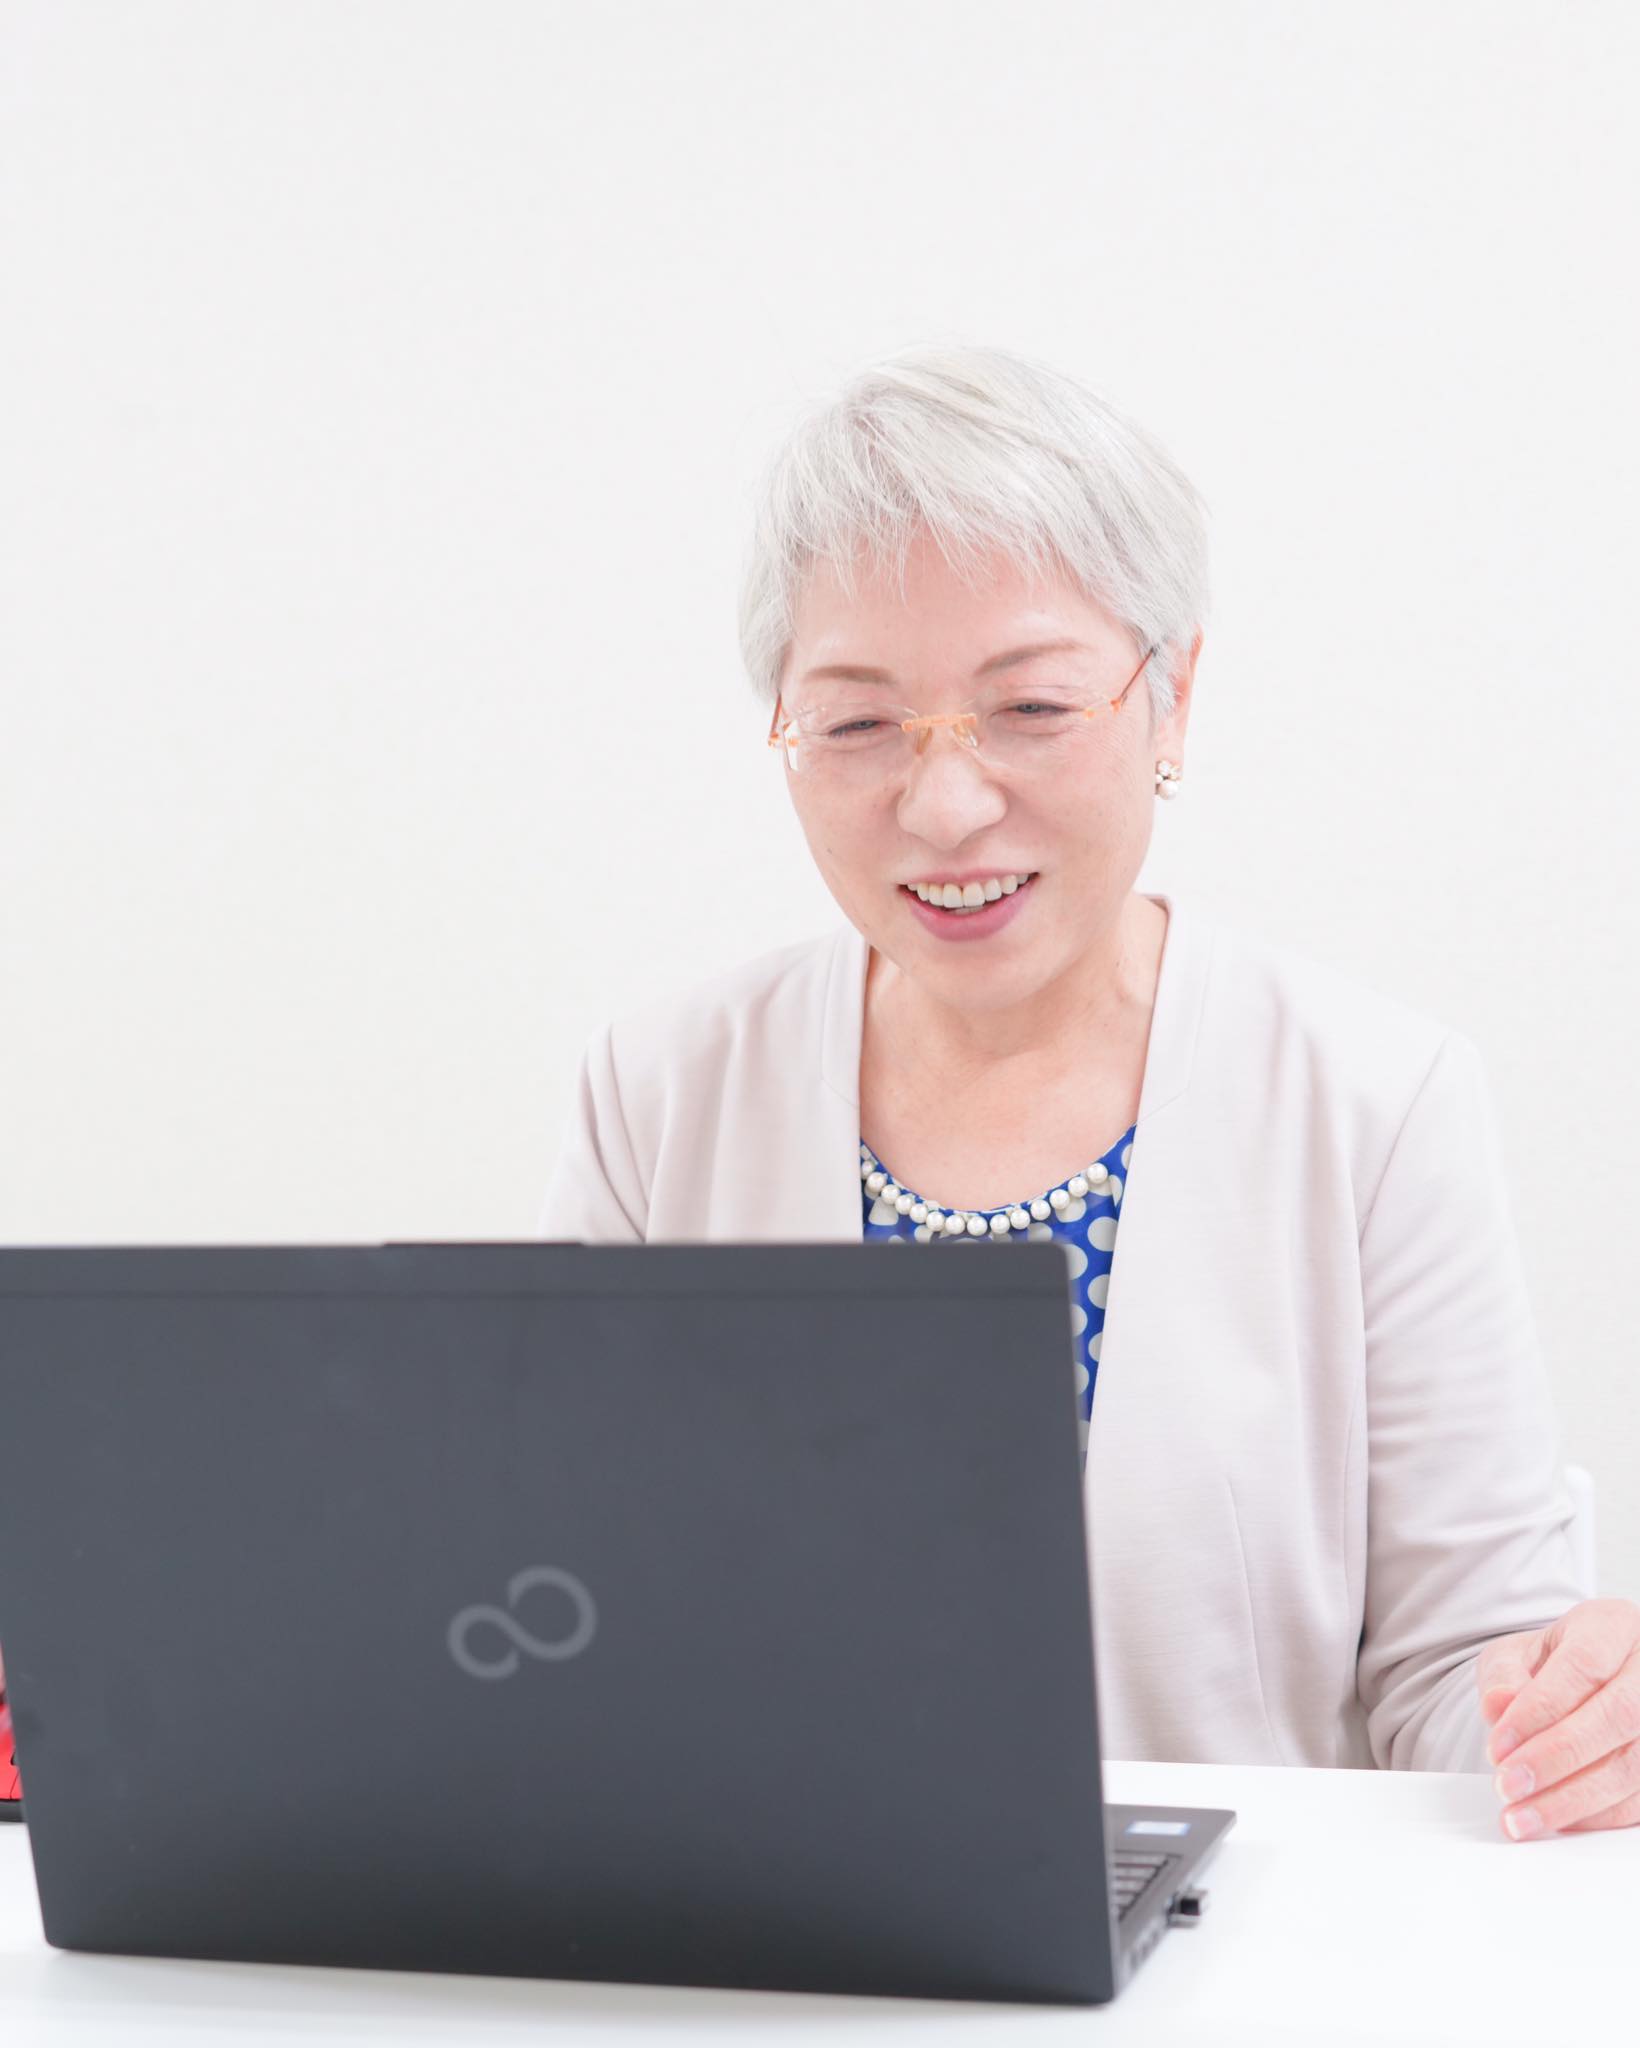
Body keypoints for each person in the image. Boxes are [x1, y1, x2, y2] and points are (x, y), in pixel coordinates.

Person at [536, 341, 1640, 1837]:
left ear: (1169, 700)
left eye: (1033, 709)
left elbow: (1461, 1682)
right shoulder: (658, 1096)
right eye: (857, 723)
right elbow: (557, 1605)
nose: (945, 804)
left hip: (1239, 1942)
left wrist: (1571, 1722)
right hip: (774, 1922)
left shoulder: (1375, 1106)